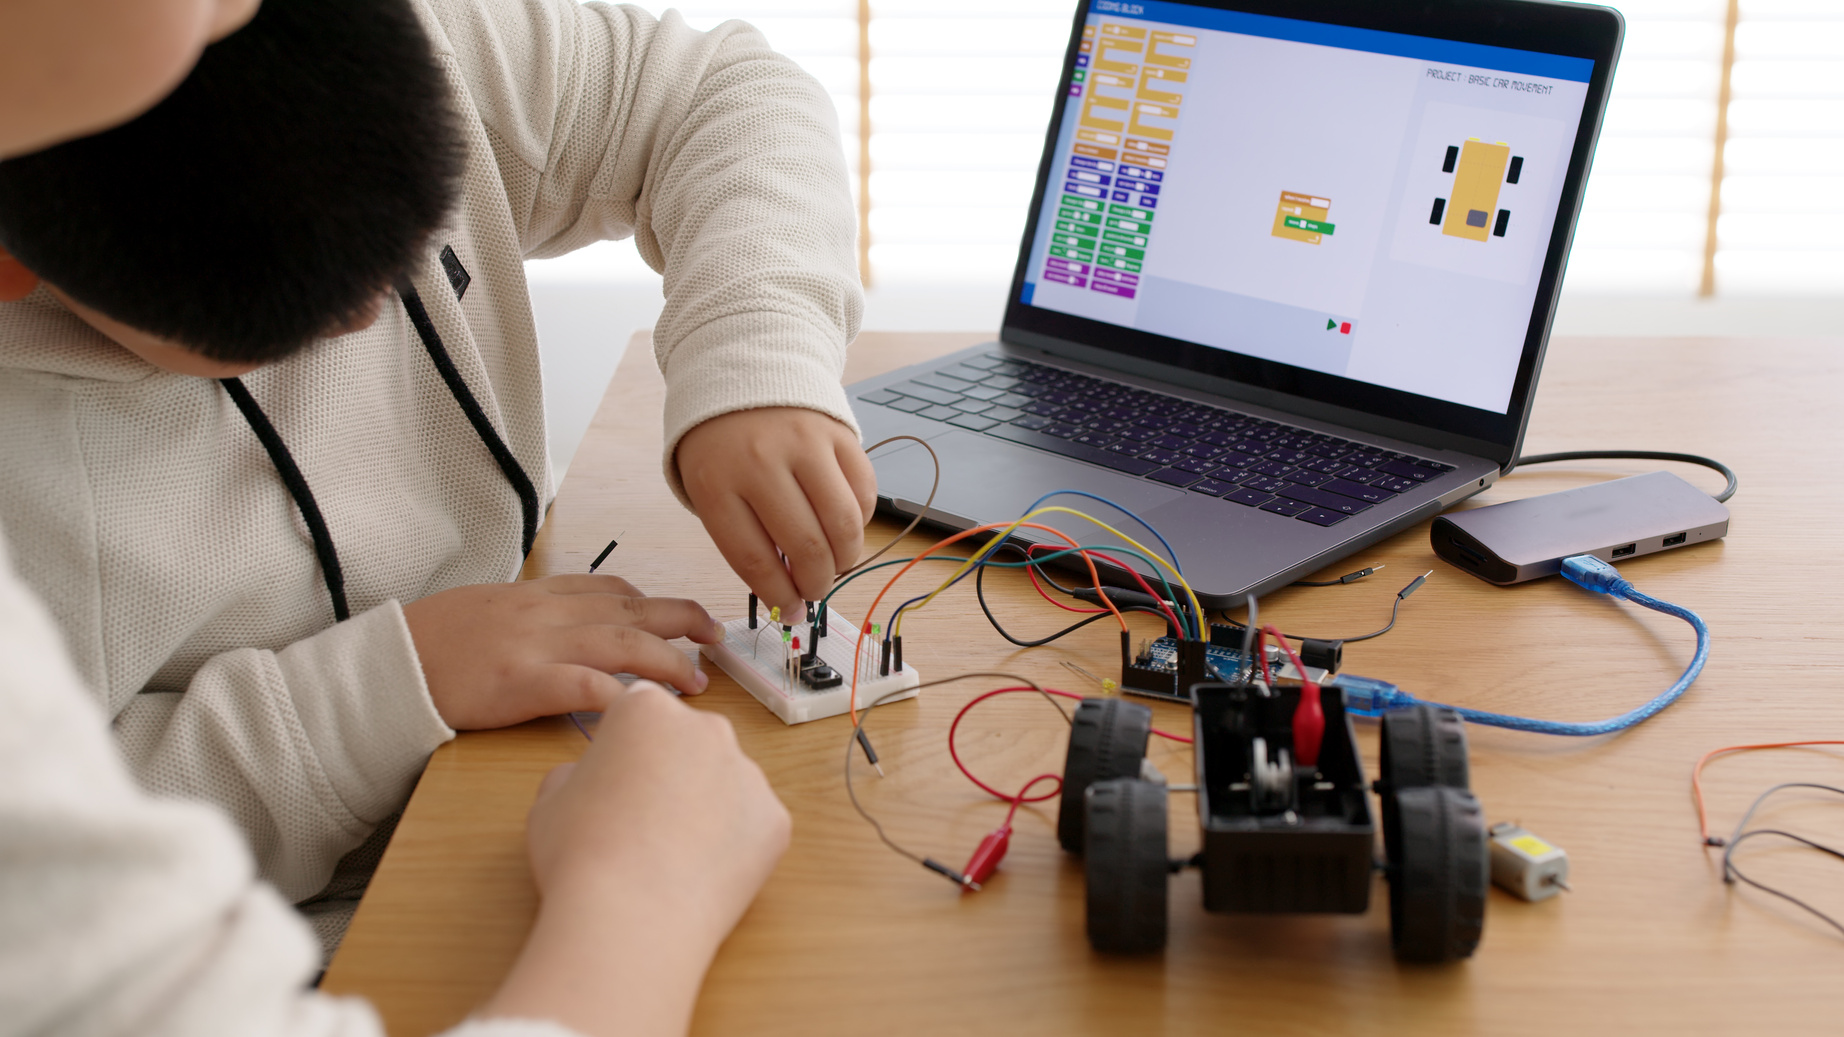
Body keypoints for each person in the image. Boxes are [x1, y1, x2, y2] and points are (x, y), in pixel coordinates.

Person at [0, 0, 869, 951]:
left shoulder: (422, 37)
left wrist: (753, 352)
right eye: (286, 333)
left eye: (413, 257)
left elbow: (719, 90)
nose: (371, 316)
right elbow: (40, 877)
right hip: (257, 952)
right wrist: (388, 689)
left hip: (525, 785)